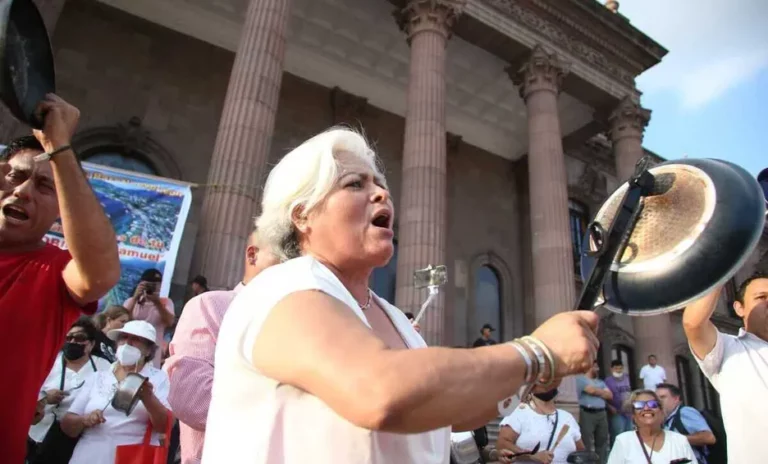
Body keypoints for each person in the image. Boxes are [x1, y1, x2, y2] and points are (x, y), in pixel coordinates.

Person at [201, 128, 600, 463]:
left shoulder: (391, 315)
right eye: (355, 184)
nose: (381, 195)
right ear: (302, 215)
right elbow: (379, 390)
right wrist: (535, 351)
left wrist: (539, 372)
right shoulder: (281, 286)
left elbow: (455, 413)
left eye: (381, 184)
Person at [0, 94, 120, 464]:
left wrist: (60, 149)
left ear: (60, 213)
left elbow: (99, 273)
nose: (22, 191)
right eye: (15, 177)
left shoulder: (53, 272)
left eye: (44, 186)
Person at [165, 229, 279, 464]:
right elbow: (195, 400)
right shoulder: (212, 306)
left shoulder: (309, 322)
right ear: (253, 255)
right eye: (286, 253)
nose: (295, 266)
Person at [682, 270, 768, 464]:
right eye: (761, 297)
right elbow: (693, 323)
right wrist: (728, 260)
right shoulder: (728, 348)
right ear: (739, 308)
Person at [61, 320, 172, 463]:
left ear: (149, 350)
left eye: (136, 339)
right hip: (87, 455)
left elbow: (165, 426)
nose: (127, 343)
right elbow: (68, 425)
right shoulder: (98, 377)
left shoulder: (158, 378)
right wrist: (85, 420)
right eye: (123, 337)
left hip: (132, 457)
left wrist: (148, 397)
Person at [28, 317, 112, 464]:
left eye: (79, 338)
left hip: (84, 435)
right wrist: (46, 397)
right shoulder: (49, 362)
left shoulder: (103, 366)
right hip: (44, 437)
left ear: (91, 344)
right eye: (69, 337)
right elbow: (27, 395)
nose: (73, 342)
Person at [496, 388, 584, 464]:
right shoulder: (519, 412)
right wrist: (532, 456)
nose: (547, 387)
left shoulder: (567, 417)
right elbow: (502, 444)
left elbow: (580, 451)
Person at [607, 390, 695, 464]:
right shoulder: (623, 441)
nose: (646, 408)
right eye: (639, 405)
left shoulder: (680, 441)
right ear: (633, 416)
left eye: (653, 404)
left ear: (661, 412)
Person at [124, 269, 175, 367]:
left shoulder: (166, 303)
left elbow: (169, 322)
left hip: (153, 353)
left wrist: (157, 303)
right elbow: (122, 320)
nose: (151, 288)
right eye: (148, 285)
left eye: (155, 285)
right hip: (131, 349)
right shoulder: (131, 302)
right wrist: (135, 297)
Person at [656, 383, 715, 464]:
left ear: (676, 399)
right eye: (656, 399)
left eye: (663, 397)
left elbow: (709, 438)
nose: (658, 401)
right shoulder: (667, 420)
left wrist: (674, 439)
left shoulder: (685, 412)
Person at [576, 362, 611, 464]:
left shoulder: (600, 381)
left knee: (602, 441)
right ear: (589, 367)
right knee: (586, 441)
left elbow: (610, 396)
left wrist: (597, 391)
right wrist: (602, 392)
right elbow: (591, 391)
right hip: (587, 413)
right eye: (596, 366)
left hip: (601, 413)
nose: (598, 369)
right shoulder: (580, 379)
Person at [604, 360, 633, 444]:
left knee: (629, 434)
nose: (618, 370)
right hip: (617, 412)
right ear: (611, 369)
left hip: (628, 412)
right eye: (616, 368)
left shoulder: (627, 378)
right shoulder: (608, 381)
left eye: (620, 368)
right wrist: (609, 406)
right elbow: (604, 396)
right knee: (618, 434)